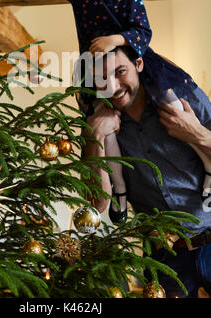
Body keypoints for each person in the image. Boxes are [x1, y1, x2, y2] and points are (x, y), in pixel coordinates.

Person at [0, 0, 211, 220]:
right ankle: (119, 190)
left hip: (144, 60)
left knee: (171, 103)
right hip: (91, 69)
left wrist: (114, 40)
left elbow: (143, 32)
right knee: (107, 134)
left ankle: (208, 169)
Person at [84, 45, 211, 298]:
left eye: (120, 71)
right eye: (101, 79)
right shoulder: (97, 123)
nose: (112, 85)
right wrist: (95, 135)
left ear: (138, 65)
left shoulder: (183, 99)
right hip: (164, 257)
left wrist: (197, 134)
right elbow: (96, 205)